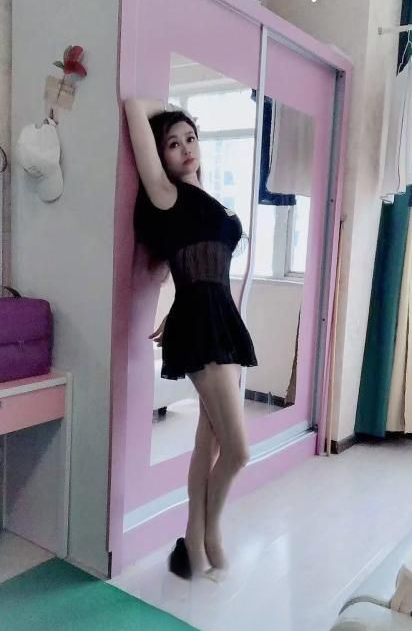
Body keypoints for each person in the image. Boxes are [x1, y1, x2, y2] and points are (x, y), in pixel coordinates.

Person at [125, 97, 258, 579]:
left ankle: (192, 541)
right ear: (160, 156)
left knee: (211, 443)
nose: (185, 148)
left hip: (220, 318)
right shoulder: (165, 193)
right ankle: (210, 534)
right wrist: (169, 110)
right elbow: (133, 107)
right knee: (238, 450)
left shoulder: (210, 199)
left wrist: (181, 306)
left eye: (191, 138)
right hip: (203, 324)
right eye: (172, 143)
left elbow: (204, 267)